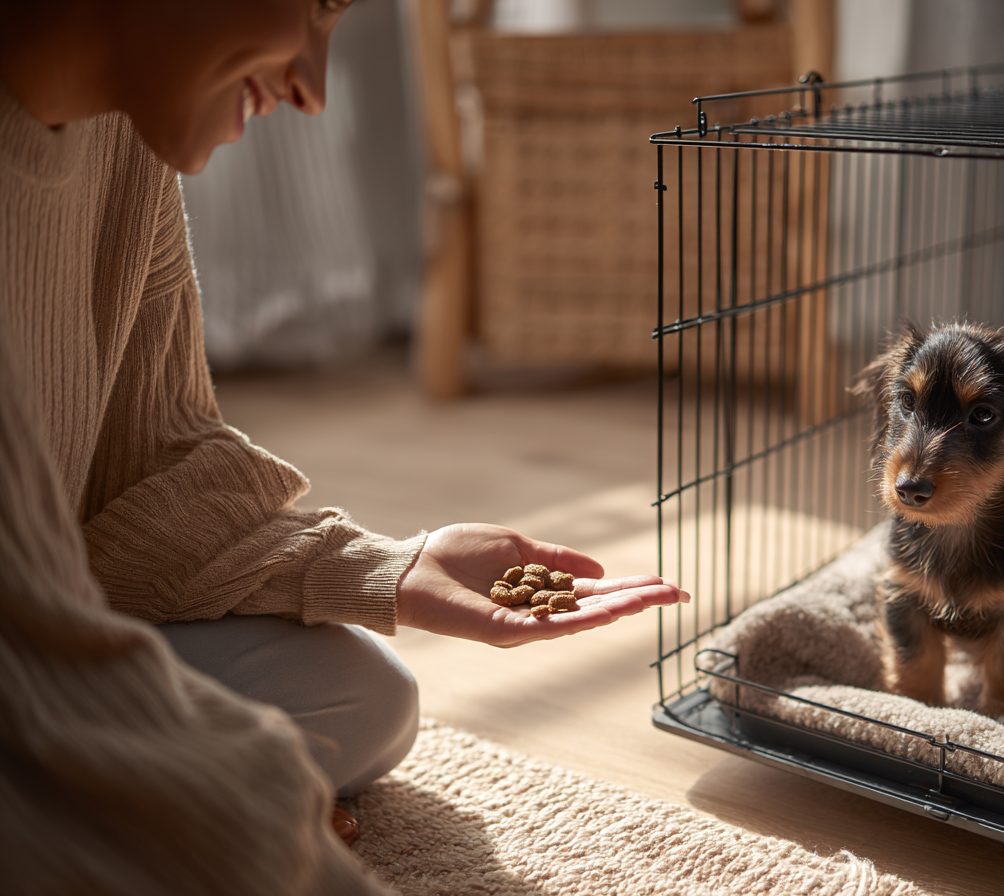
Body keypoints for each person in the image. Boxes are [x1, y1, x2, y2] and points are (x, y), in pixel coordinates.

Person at [0, 1, 688, 893]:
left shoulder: (121, 140)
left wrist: (388, 570)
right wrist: (224, 803)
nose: (314, 91)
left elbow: (147, 475)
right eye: (316, 7)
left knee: (367, 699)